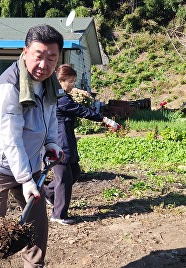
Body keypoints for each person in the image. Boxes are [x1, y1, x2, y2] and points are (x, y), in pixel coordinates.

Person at [0, 24, 65, 268]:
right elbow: (10, 140)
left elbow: (51, 117)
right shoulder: (8, 88)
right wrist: (26, 180)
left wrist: (51, 142)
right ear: (25, 52)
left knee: (36, 224)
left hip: (29, 163)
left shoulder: (50, 83)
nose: (44, 65)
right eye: (39, 56)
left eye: (51, 58)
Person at [44, 64, 119, 225]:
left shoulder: (63, 96)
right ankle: (58, 214)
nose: (72, 85)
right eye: (69, 81)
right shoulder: (61, 99)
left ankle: (48, 193)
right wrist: (104, 119)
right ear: (60, 80)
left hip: (67, 141)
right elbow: (82, 111)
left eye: (74, 81)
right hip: (59, 143)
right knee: (64, 179)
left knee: (75, 172)